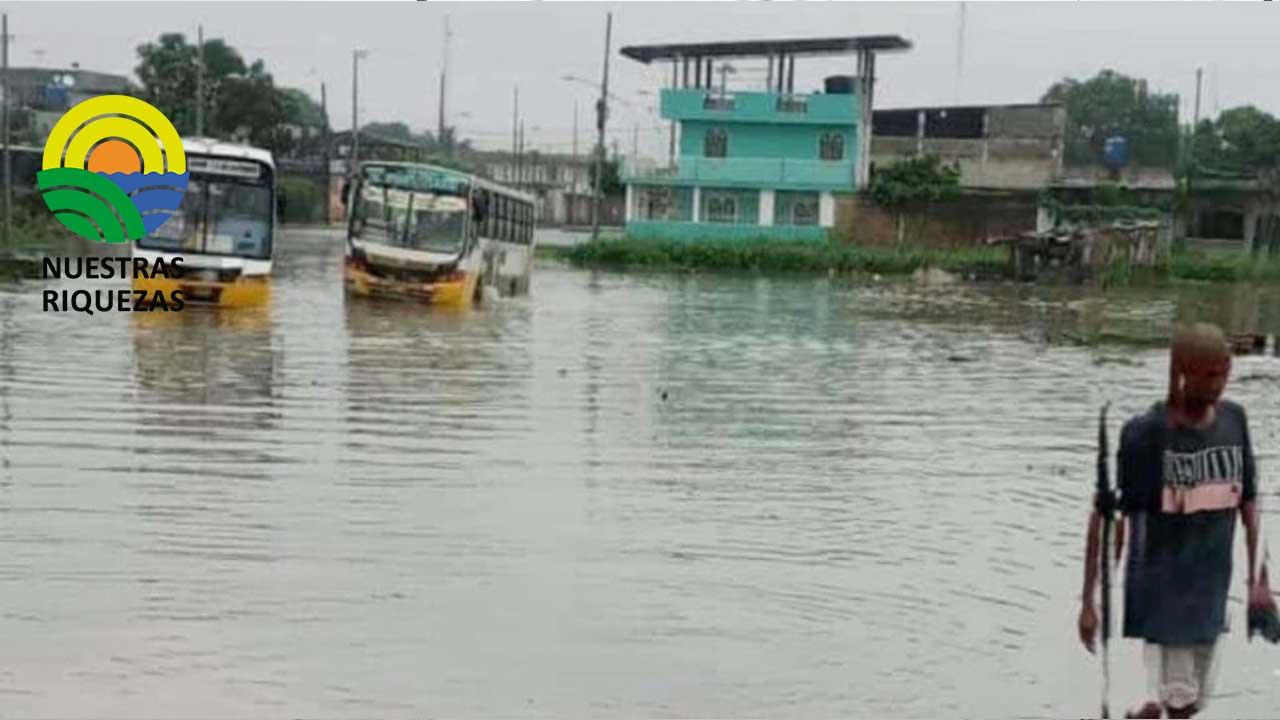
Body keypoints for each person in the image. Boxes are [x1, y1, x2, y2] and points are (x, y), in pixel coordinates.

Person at [1077, 322, 1266, 719]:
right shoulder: (1147, 435)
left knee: (1191, 703)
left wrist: (1258, 582)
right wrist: (1091, 600)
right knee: (1173, 703)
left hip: (1211, 594)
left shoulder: (1234, 422)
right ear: (1183, 371)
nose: (1219, 385)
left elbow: (1248, 502)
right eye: (1210, 375)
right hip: (1163, 594)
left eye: (1224, 374)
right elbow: (1108, 517)